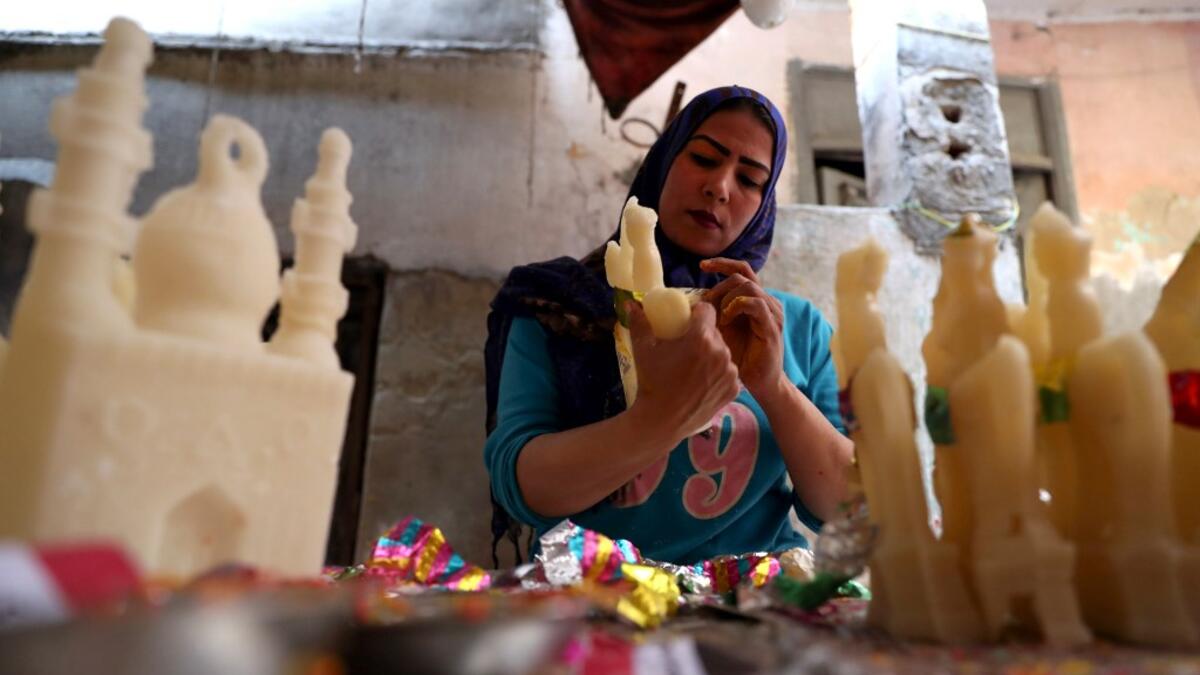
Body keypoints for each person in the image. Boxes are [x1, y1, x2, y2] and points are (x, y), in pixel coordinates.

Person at [484, 85, 852, 565]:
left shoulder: (791, 328)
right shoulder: (557, 306)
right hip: (596, 593)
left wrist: (774, 387)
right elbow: (523, 487)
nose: (720, 186)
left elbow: (847, 511)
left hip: (754, 602)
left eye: (749, 179)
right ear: (663, 161)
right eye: (703, 158)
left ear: (764, 206)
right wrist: (659, 417)